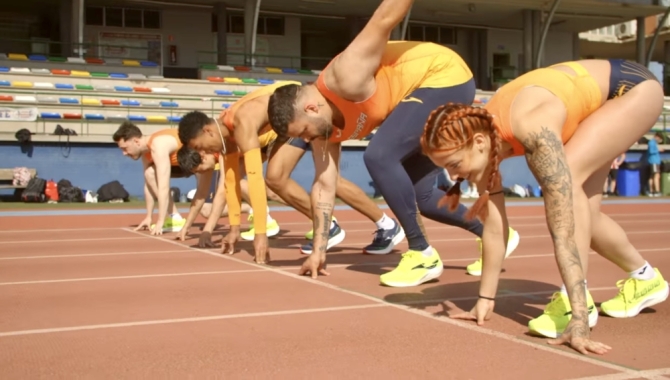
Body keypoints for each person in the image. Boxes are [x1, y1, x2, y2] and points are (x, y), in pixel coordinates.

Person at [419, 59, 669, 355]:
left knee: (568, 188)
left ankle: (575, 303)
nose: (454, 176)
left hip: (630, 90)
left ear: (478, 142)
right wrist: (485, 299)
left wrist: (579, 320)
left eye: (454, 165)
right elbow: (497, 230)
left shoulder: (530, 128)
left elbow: (562, 227)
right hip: (587, 99)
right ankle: (645, 279)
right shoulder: (485, 145)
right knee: (586, 212)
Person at [266, 0, 519, 284]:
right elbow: (325, 185)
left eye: (302, 131)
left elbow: (384, 18)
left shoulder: (346, 74)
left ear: (311, 108)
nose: (304, 139)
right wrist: (319, 250)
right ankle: (493, 231)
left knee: (379, 155)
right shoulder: (322, 131)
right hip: (410, 100)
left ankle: (422, 253)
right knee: (421, 196)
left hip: (443, 76)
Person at [178, 82, 404, 261]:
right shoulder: (225, 138)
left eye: (200, 147)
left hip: (299, 113)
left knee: (325, 179)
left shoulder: (242, 123)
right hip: (282, 127)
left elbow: (255, 179)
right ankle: (330, 225)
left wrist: (260, 234)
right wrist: (234, 228)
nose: (204, 152)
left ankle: (386, 224)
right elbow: (230, 182)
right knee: (279, 179)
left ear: (208, 130)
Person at [176, 145, 285, 247]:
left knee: (270, 191)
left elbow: (222, 191)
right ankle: (265, 219)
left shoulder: (222, 148)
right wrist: (186, 226)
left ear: (203, 156)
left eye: (201, 169)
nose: (202, 172)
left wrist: (208, 230)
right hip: (250, 148)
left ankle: (266, 219)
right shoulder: (210, 154)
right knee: (235, 180)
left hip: (264, 143)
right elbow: (201, 193)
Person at [113, 123, 186, 235]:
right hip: (183, 164)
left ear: (136, 141)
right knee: (149, 173)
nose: (124, 153)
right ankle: (175, 218)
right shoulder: (146, 153)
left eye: (125, 148)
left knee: (208, 211)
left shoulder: (158, 146)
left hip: (204, 160)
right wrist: (149, 217)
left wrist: (160, 221)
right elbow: (148, 184)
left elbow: (163, 186)